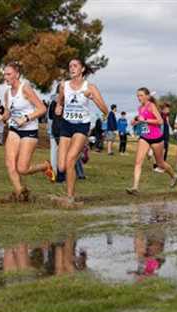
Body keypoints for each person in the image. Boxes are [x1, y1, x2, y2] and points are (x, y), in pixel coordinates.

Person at [54, 58, 109, 208]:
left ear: (82, 69)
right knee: (61, 167)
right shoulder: (63, 85)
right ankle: (68, 192)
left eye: (75, 66)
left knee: (70, 159)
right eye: (70, 66)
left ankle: (70, 197)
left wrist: (92, 98)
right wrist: (59, 107)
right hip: (66, 125)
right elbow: (60, 100)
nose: (71, 68)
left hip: (81, 126)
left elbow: (105, 110)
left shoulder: (90, 87)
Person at [0, 62, 53, 202]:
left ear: (17, 74)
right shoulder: (7, 93)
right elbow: (8, 113)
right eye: (4, 74)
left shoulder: (26, 88)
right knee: (10, 164)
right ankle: (21, 194)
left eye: (8, 74)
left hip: (29, 130)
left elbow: (42, 109)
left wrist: (26, 118)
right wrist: (2, 117)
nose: (5, 77)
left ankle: (46, 166)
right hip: (14, 129)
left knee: (22, 169)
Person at [126, 87, 177, 195]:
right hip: (145, 137)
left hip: (156, 139)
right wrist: (135, 122)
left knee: (160, 163)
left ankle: (174, 175)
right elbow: (141, 120)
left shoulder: (152, 106)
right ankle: (135, 187)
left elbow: (160, 122)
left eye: (141, 95)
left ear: (147, 96)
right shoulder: (140, 108)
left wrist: (144, 120)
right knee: (138, 162)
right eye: (137, 96)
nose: (138, 98)